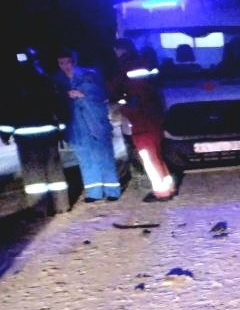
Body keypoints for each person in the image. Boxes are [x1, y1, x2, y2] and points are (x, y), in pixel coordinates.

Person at [0, 48, 70, 214]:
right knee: (54, 170)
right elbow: (58, 104)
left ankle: (40, 209)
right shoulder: (45, 80)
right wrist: (61, 129)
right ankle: (62, 205)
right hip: (49, 132)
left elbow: (7, 110)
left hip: (26, 136)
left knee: (33, 175)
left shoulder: (11, 84)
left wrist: (5, 133)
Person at [53, 47, 121, 202]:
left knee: (104, 156)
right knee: (85, 160)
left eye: (67, 62)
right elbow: (56, 102)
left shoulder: (89, 75)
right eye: (61, 63)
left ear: (74, 61)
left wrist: (83, 95)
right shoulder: (58, 81)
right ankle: (93, 193)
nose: (65, 66)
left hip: (96, 122)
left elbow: (100, 94)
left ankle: (112, 191)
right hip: (76, 127)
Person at [114, 38, 175, 202]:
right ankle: (168, 186)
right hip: (154, 118)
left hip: (141, 121)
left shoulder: (124, 66)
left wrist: (124, 107)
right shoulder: (146, 62)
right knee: (157, 155)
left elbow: (116, 91)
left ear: (119, 50)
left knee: (148, 157)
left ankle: (161, 192)